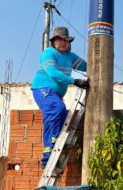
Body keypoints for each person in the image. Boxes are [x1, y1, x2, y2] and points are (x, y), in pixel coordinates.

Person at [31, 27, 89, 168]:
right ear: (54, 41)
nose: (62, 43)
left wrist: (102, 59)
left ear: (69, 42)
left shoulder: (70, 57)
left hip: (55, 93)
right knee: (58, 109)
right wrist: (74, 81)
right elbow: (53, 73)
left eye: (65, 40)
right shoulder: (49, 53)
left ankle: (47, 157)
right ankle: (55, 141)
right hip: (42, 89)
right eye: (59, 40)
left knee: (51, 122)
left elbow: (88, 66)